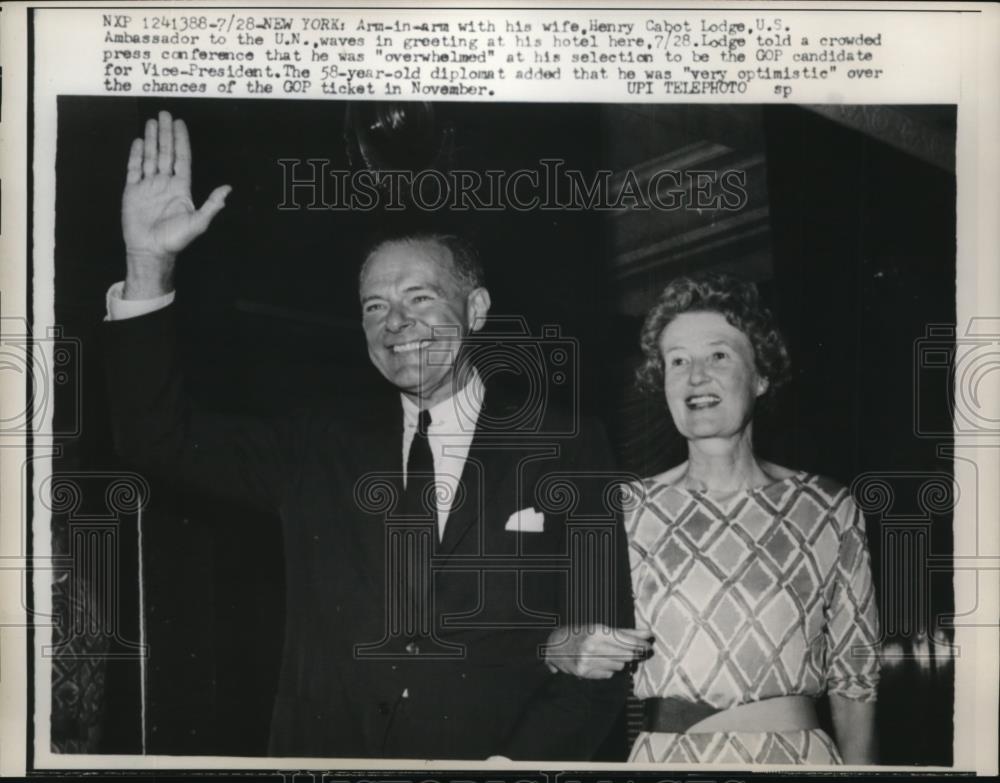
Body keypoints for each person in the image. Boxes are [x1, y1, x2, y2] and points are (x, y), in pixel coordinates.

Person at [102, 111, 633, 760]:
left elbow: (599, 660)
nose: (396, 323)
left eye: (420, 298)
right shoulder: (315, 447)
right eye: (374, 307)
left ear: (476, 310)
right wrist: (147, 264)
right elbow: (154, 435)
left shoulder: (568, 445)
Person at [546, 273, 881, 764]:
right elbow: (543, 636)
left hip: (795, 761)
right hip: (666, 760)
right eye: (677, 361)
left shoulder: (827, 507)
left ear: (761, 376)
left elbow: (856, 678)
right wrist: (564, 646)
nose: (695, 375)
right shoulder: (621, 510)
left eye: (718, 355)